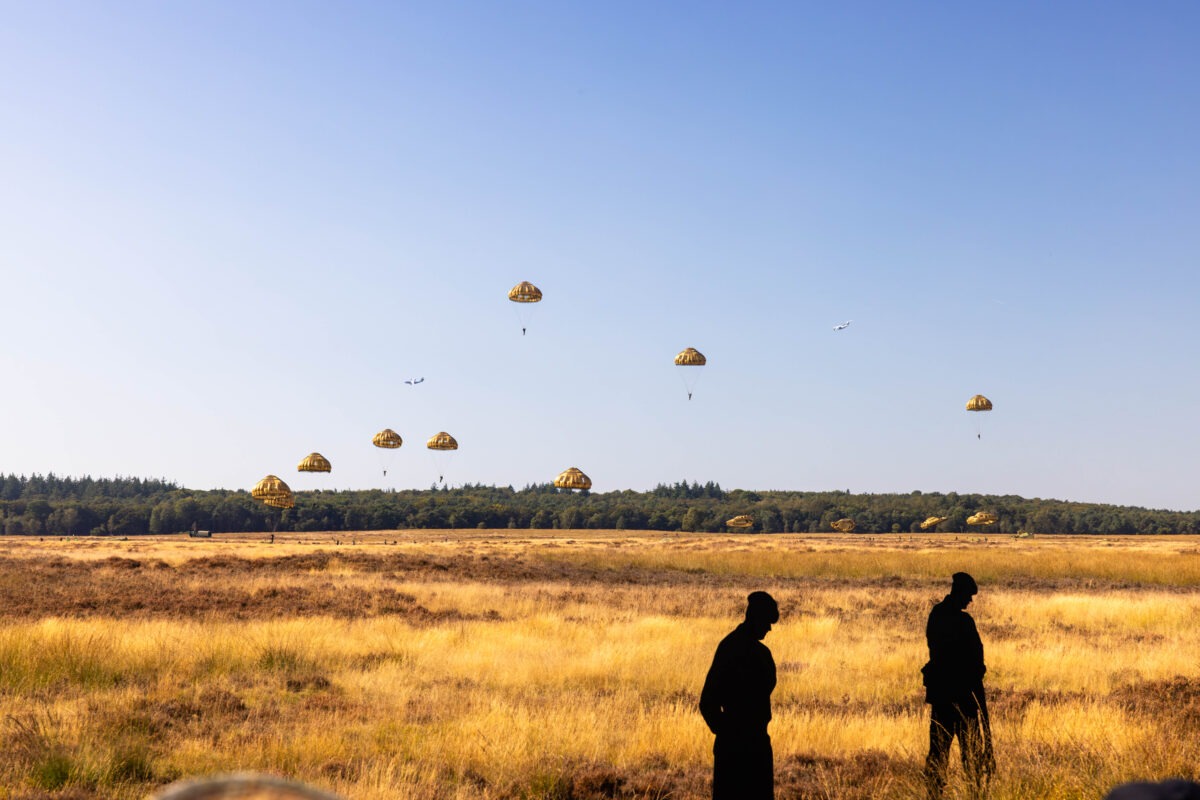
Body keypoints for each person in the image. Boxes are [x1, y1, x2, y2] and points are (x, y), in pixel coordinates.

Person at [699, 591, 780, 799]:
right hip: (735, 750)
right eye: (766, 622)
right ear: (755, 617)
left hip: (755, 746)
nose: (769, 628)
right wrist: (730, 734)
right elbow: (708, 702)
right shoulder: (732, 649)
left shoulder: (759, 653)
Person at [922, 572, 995, 800]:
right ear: (959, 592)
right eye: (968, 596)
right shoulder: (962, 622)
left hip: (944, 698)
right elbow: (975, 665)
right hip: (963, 700)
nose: (970, 602)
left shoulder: (937, 616)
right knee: (968, 757)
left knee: (939, 754)